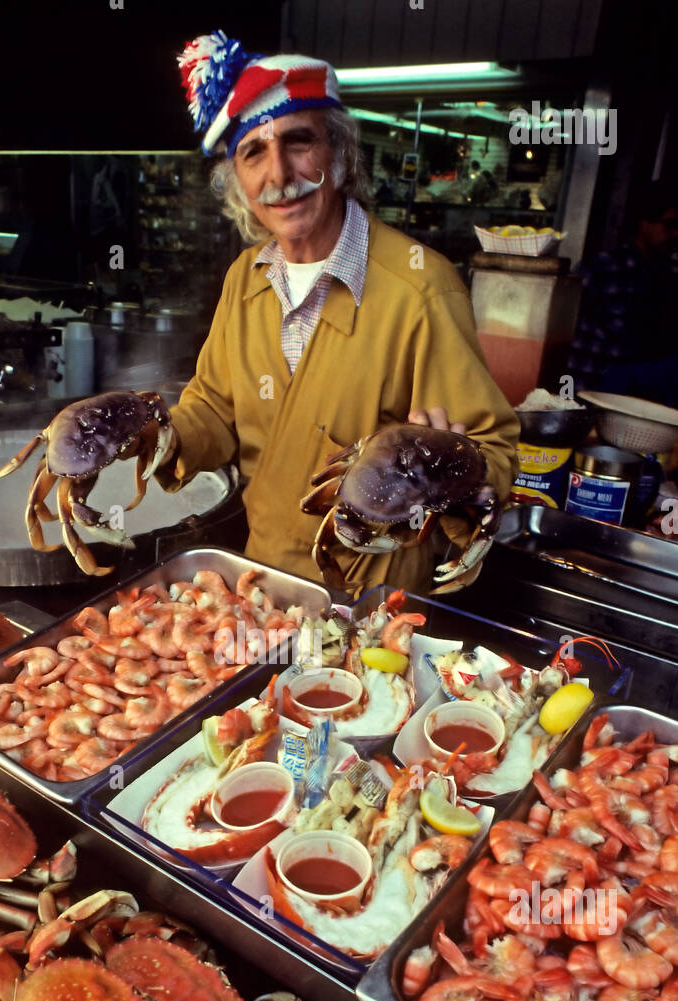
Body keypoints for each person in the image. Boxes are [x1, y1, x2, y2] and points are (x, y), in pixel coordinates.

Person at [155, 31, 518, 594]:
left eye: (298, 142)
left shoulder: (421, 286)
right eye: (253, 152)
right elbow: (215, 410)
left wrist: (456, 468)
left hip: (375, 594)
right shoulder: (245, 278)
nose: (279, 175)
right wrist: (156, 435)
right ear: (239, 186)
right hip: (261, 580)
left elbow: (493, 451)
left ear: (340, 154)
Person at [567, 185, 678, 407]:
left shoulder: (665, 276)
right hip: (589, 392)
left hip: (635, 398)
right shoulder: (602, 268)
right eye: (669, 226)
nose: (675, 234)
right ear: (643, 224)